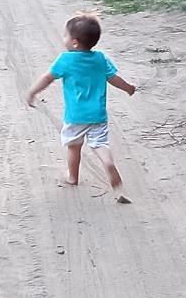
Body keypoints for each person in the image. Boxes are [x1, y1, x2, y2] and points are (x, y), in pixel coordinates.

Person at [27, 13, 135, 190]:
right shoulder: (100, 59)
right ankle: (108, 162)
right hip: (98, 115)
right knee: (100, 144)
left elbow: (47, 78)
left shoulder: (65, 60)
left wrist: (33, 91)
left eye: (65, 35)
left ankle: (72, 177)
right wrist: (129, 88)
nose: (64, 39)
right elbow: (114, 78)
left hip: (76, 115)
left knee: (74, 147)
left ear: (74, 42)